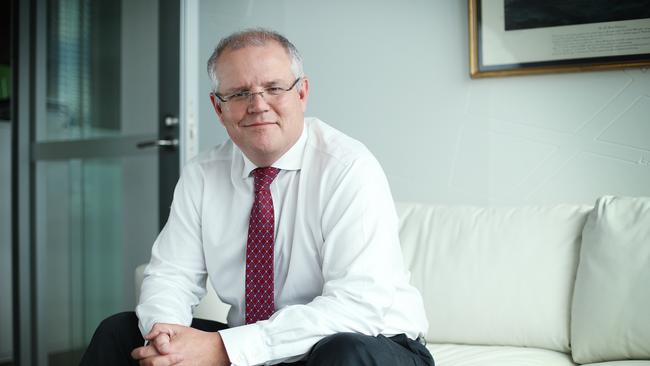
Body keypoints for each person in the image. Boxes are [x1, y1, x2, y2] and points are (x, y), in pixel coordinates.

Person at [80, 28, 434, 366]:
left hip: (373, 342)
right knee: (119, 333)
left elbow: (358, 307)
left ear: (302, 93)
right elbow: (171, 275)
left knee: (343, 353)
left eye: (274, 88)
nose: (258, 105)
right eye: (238, 94)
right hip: (254, 345)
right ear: (219, 108)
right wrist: (167, 341)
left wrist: (226, 349)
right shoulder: (202, 174)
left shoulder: (348, 168)